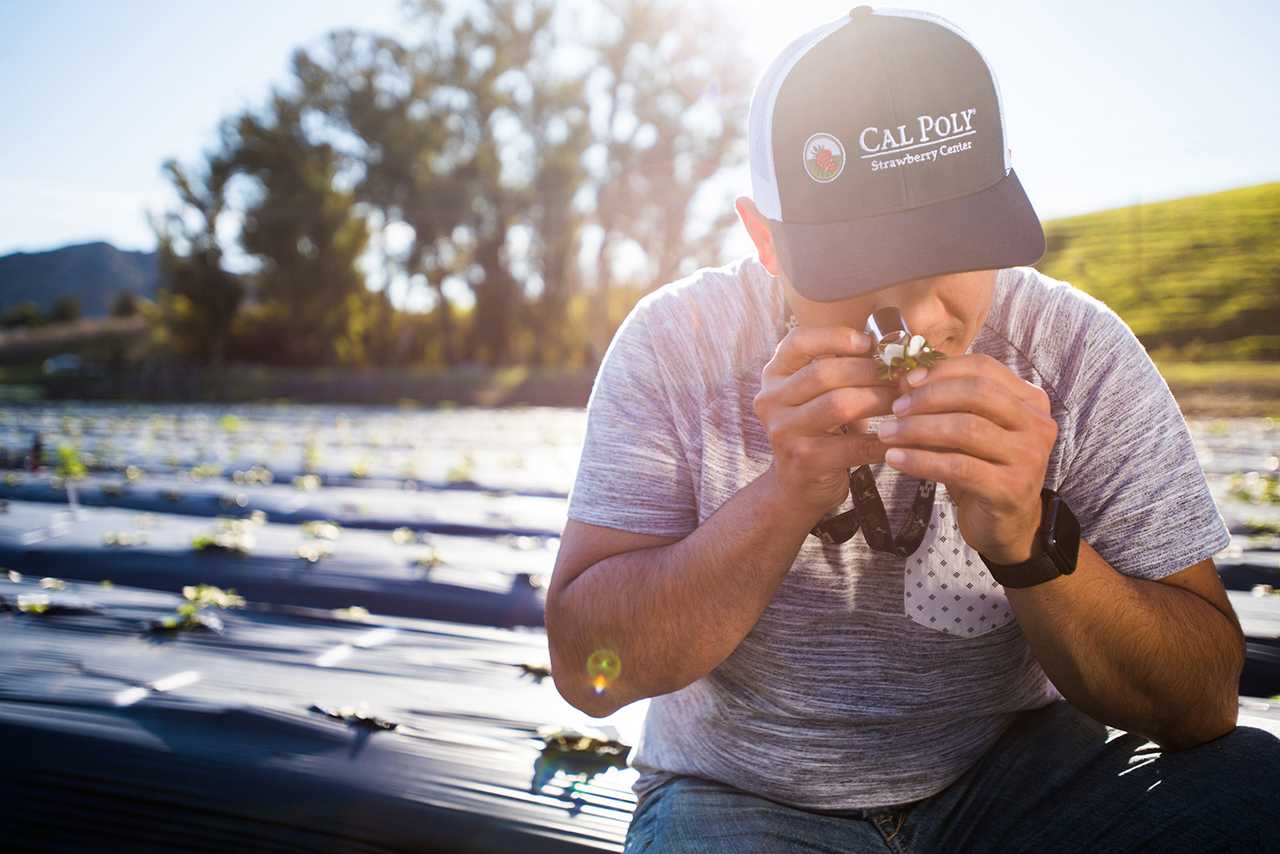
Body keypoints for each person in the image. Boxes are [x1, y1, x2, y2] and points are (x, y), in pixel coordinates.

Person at [546, 6, 1280, 852]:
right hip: (744, 794)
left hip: (1021, 774)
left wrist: (1029, 538)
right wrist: (786, 496)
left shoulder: (1076, 351)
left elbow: (1201, 701)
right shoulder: (679, 342)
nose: (922, 321)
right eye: (860, 267)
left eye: (955, 249)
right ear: (767, 240)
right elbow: (589, 670)